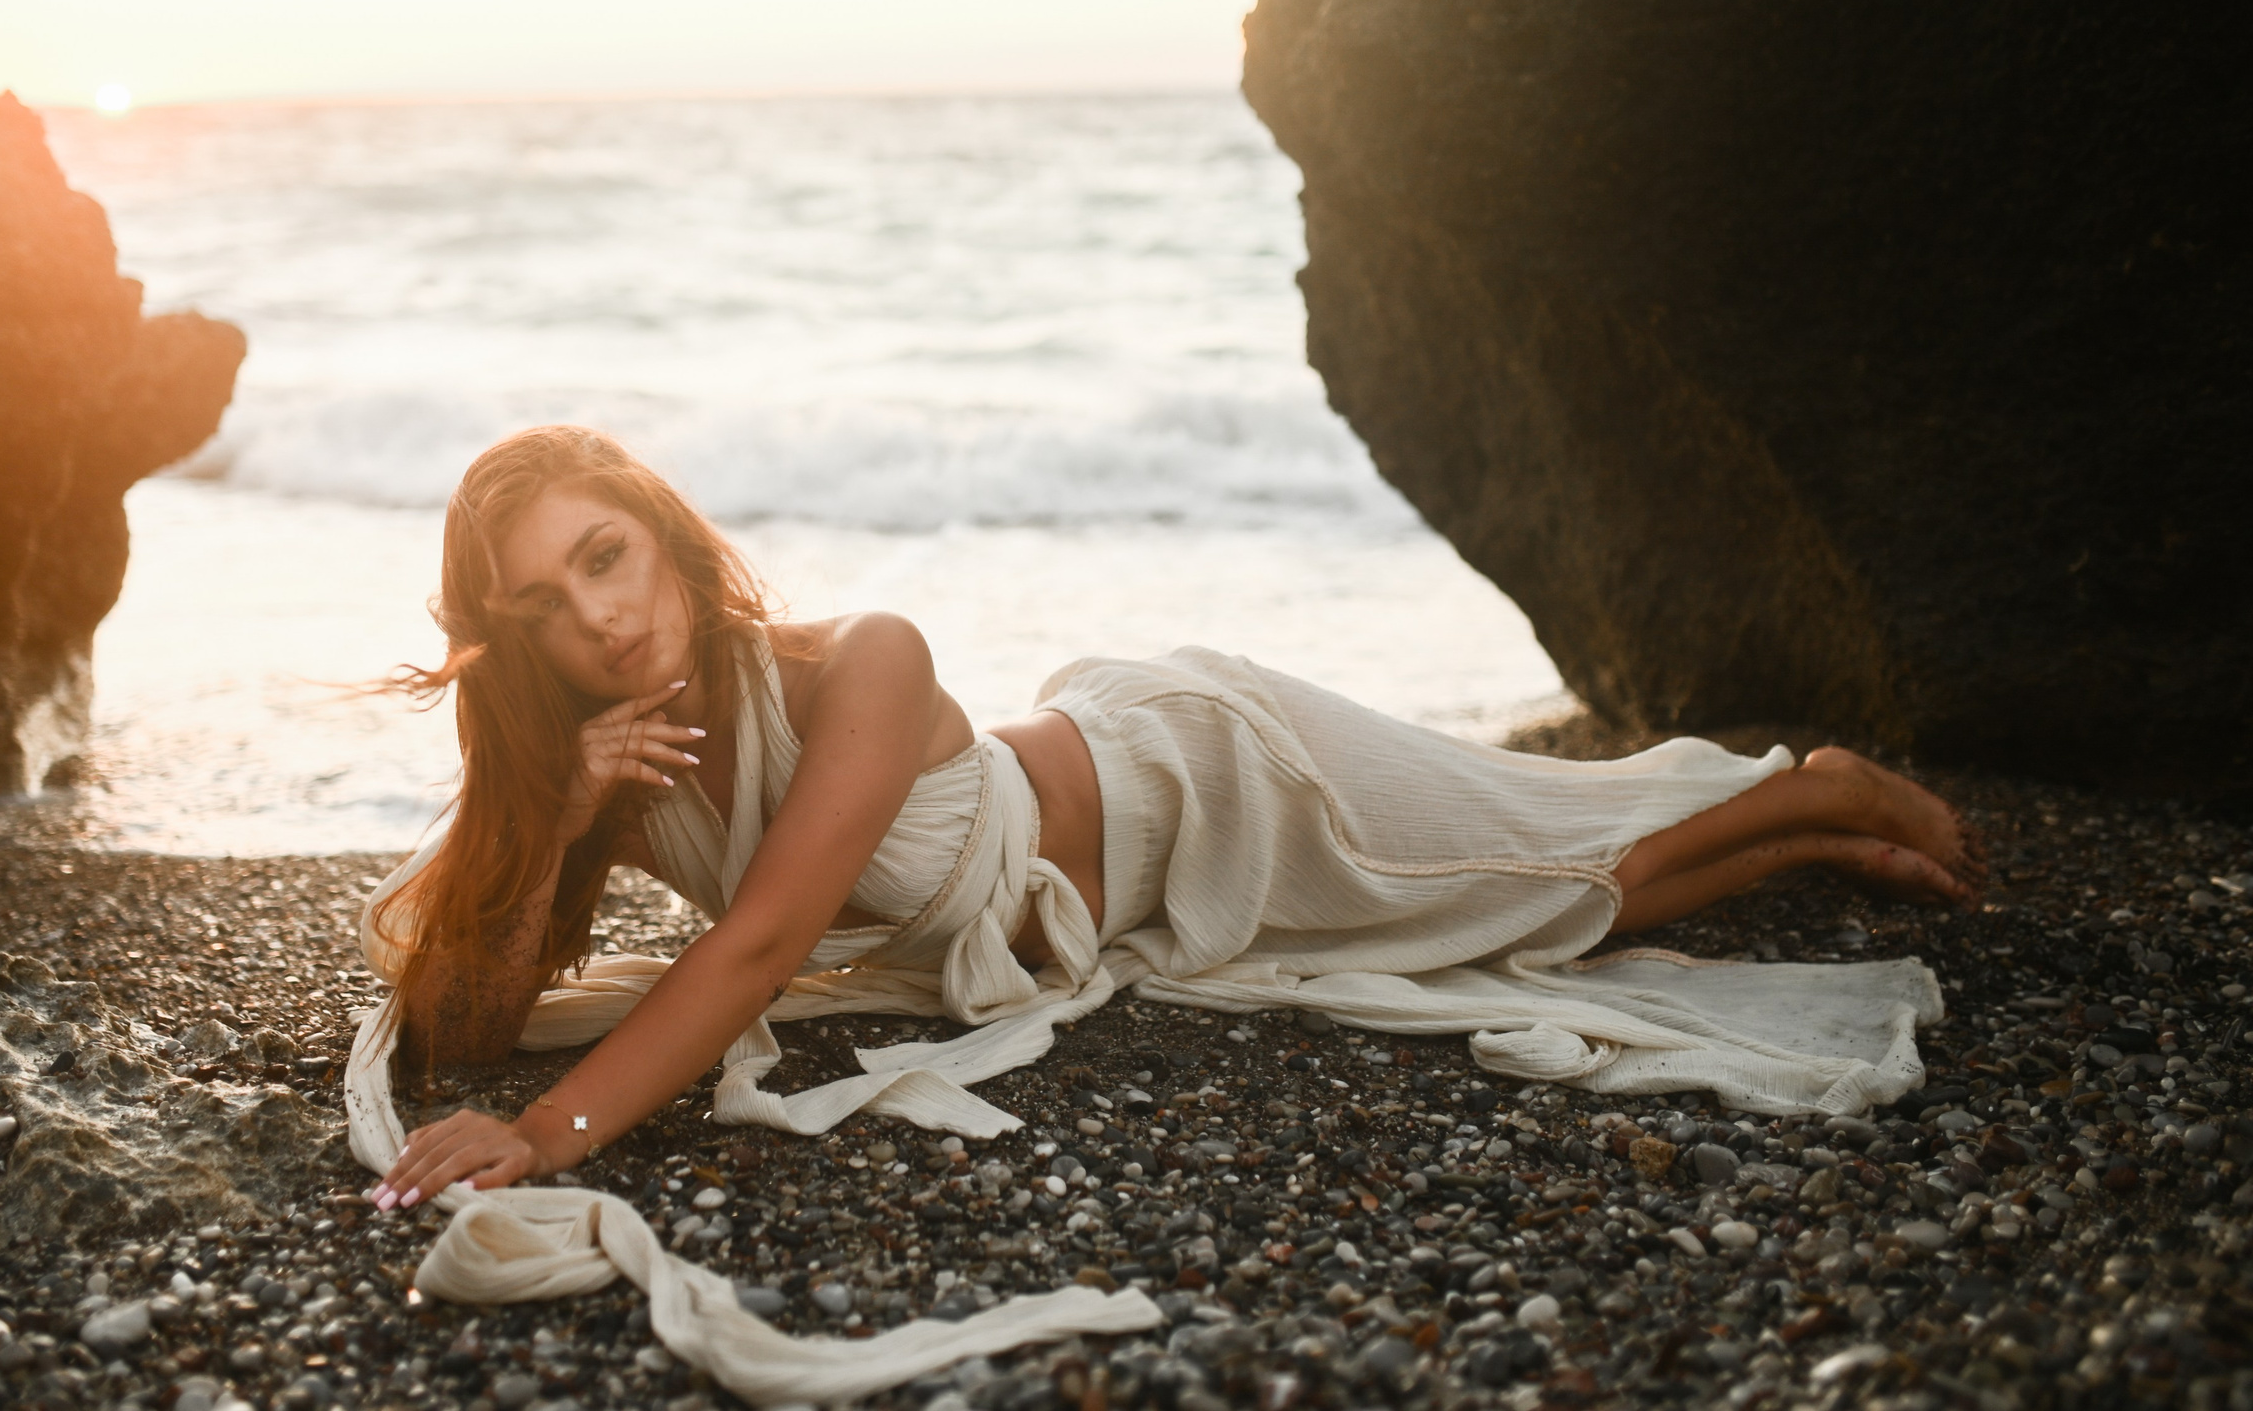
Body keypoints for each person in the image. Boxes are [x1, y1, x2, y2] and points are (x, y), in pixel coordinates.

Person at [361, 426, 1978, 1214]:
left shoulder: (862, 661)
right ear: (515, 643)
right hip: (1137, 915)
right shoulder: (612, 770)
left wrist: (552, 1136)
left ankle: (1813, 790)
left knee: (1566, 886)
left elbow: (765, 940)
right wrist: (559, 814)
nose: (600, 617)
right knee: (1547, 892)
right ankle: (1808, 825)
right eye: (546, 602)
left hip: (1213, 780)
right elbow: (462, 1017)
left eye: (607, 556)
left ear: (667, 541)